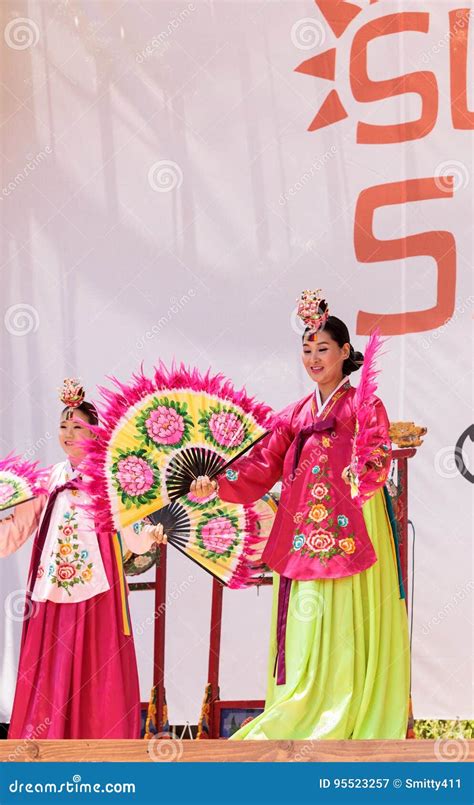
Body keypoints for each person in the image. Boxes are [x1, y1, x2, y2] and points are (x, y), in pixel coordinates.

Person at [191, 291, 410, 740]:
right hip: (303, 534)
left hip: (353, 527)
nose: (313, 358)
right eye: (306, 350)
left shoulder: (364, 405)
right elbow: (258, 467)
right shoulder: (294, 415)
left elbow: (378, 456)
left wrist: (360, 474)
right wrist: (217, 482)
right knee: (308, 625)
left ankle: (347, 715)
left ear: (345, 352)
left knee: (349, 622)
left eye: (322, 349)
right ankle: (301, 709)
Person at [0, 378, 167, 739]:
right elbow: (16, 531)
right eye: (63, 426)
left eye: (78, 426)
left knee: (96, 662)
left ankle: (95, 738)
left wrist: (149, 536)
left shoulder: (110, 479)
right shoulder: (46, 480)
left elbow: (132, 536)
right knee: (51, 665)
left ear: (95, 434)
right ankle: (47, 739)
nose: (69, 433)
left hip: (97, 590)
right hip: (51, 589)